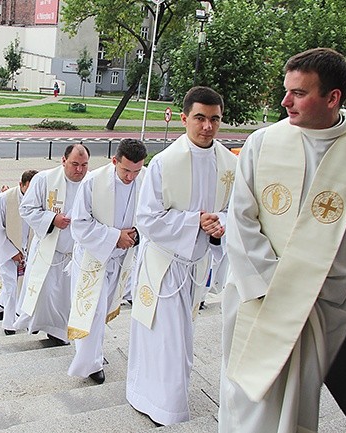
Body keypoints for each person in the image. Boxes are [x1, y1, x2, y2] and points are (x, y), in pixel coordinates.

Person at [219, 48, 346, 433]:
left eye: (299, 93)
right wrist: (276, 289)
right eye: (286, 90)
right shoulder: (263, 143)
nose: (285, 101)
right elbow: (241, 219)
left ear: (333, 98)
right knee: (247, 401)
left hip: (321, 307)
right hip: (260, 298)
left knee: (297, 406)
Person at [126, 86, 236, 426]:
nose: (207, 127)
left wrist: (223, 225)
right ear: (185, 118)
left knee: (181, 339)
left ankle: (152, 395)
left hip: (197, 264)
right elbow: (146, 219)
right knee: (167, 339)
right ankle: (166, 408)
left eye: (215, 119)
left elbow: (236, 211)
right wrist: (194, 223)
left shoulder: (230, 165)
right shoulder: (164, 163)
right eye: (200, 118)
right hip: (165, 265)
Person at [68, 139, 147, 385]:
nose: (131, 177)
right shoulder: (93, 182)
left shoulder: (145, 181)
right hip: (94, 256)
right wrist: (115, 237)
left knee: (103, 310)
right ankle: (90, 364)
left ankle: (93, 354)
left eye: (136, 171)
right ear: (115, 161)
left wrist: (135, 235)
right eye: (126, 170)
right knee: (92, 311)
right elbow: (79, 224)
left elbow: (150, 216)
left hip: (123, 259)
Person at [14, 144, 90, 344]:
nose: (79, 170)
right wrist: (52, 219)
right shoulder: (44, 179)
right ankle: (50, 330)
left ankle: (61, 333)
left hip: (77, 254)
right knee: (46, 295)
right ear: (63, 160)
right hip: (50, 251)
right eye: (74, 164)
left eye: (84, 165)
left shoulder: (91, 182)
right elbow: (27, 209)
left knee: (70, 299)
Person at [0, 169, 38, 335]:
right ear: (21, 184)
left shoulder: (37, 200)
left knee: (25, 287)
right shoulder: (4, 199)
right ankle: (9, 324)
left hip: (28, 250)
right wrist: (12, 252)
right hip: (7, 250)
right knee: (11, 286)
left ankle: (2, 306)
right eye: (30, 188)